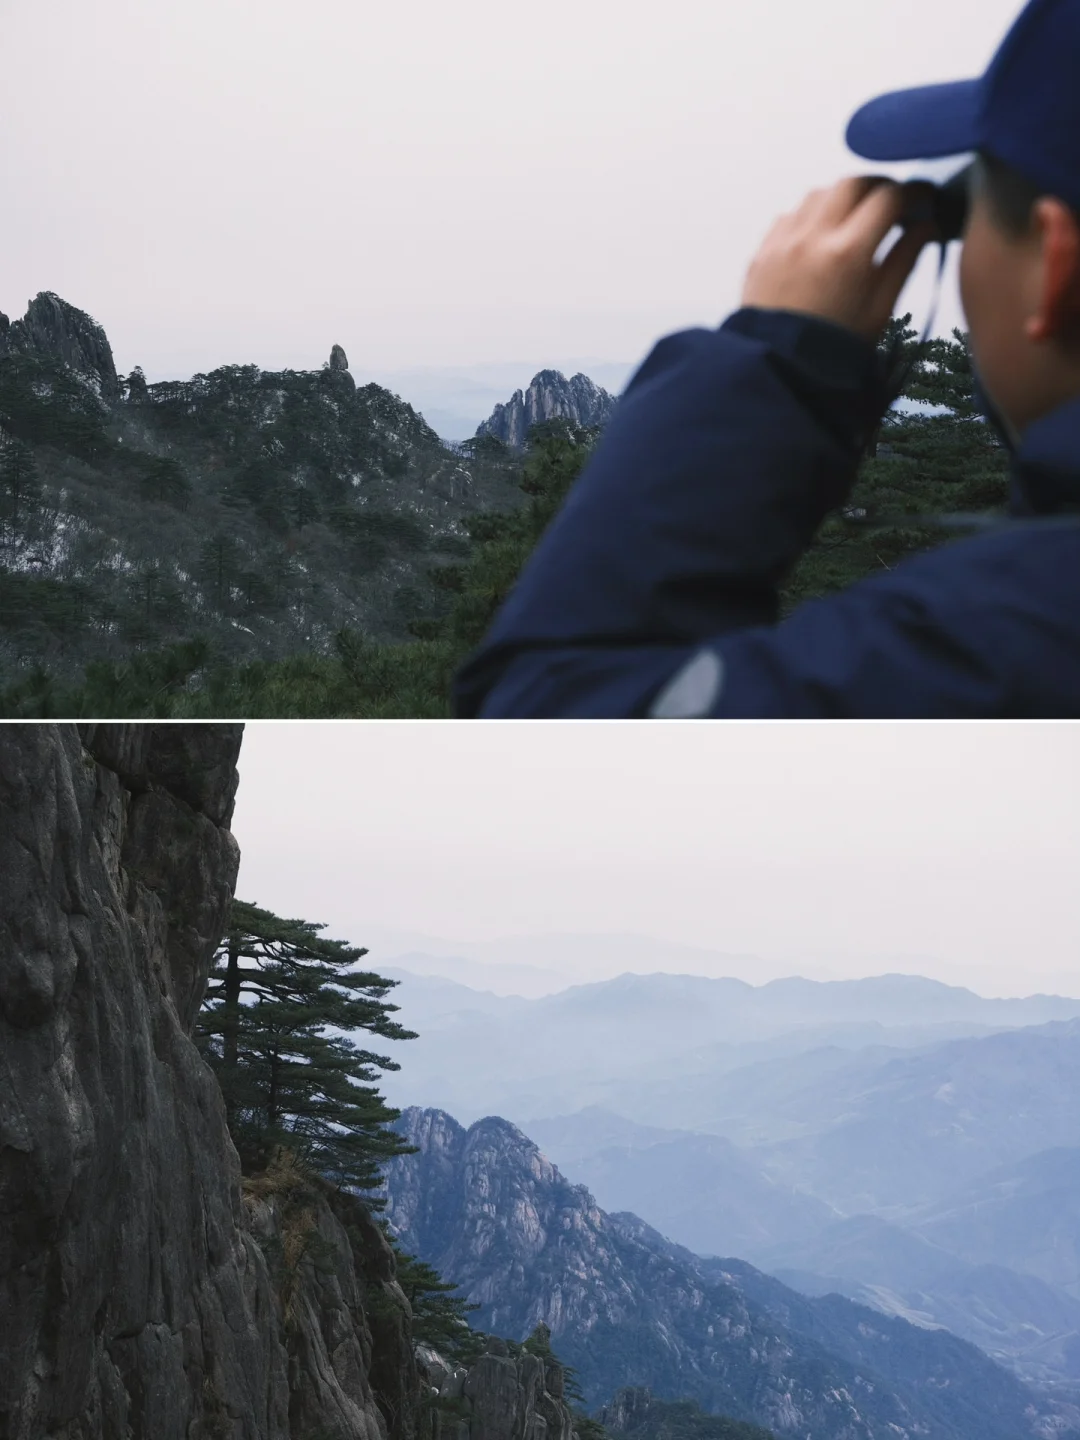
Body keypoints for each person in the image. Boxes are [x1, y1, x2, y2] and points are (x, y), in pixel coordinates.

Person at [453, 0, 1080, 718]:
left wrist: (778, 354)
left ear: (1053, 264)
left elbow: (546, 716)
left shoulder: (990, 649)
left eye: (967, 216)